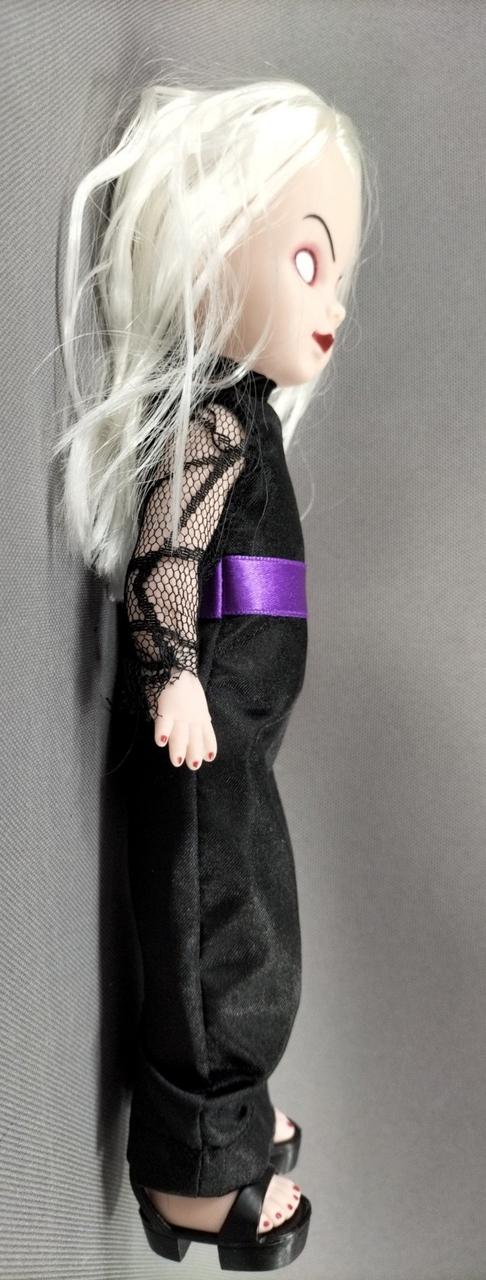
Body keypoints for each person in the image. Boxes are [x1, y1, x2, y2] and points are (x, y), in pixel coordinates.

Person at [54, 75, 368, 1270]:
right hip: (207, 716)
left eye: (336, 273)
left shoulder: (251, 418)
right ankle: (193, 1168)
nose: (330, 302)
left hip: (246, 722)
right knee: (217, 928)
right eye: (307, 260)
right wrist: (173, 669)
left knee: (256, 918)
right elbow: (169, 551)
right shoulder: (213, 426)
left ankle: (231, 1112)